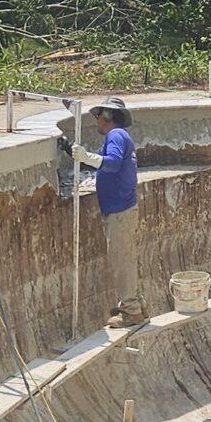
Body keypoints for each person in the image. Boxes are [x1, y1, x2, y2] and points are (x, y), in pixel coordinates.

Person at [62, 100, 143, 324]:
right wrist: (73, 152)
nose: (97, 121)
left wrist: (85, 156)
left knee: (122, 260)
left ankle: (131, 310)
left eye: (99, 116)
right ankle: (136, 304)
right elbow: (99, 163)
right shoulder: (117, 138)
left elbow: (113, 163)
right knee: (125, 257)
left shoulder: (116, 135)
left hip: (120, 212)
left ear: (107, 116)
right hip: (121, 210)